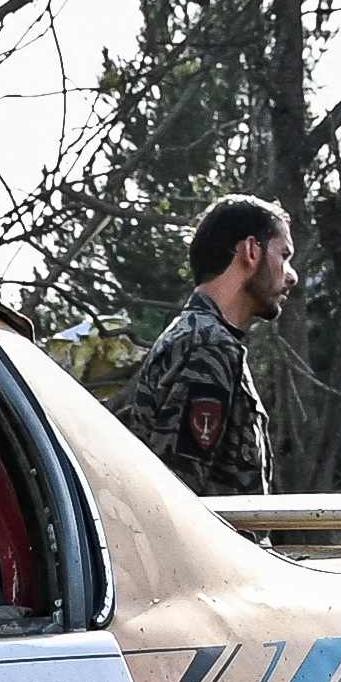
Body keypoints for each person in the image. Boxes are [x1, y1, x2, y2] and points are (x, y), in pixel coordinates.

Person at [115, 196, 296, 498]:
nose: (291, 275)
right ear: (251, 251)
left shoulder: (204, 338)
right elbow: (176, 497)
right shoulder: (208, 346)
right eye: (284, 255)